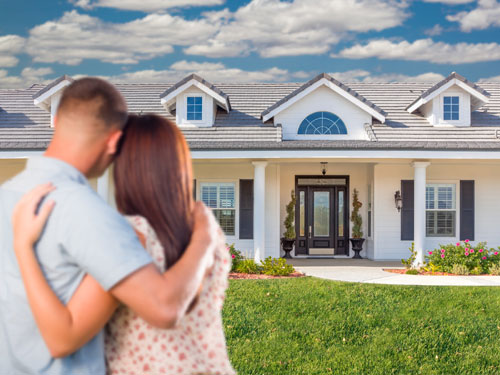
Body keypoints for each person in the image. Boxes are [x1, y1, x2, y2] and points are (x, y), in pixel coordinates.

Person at [0, 78, 221, 375]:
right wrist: (205, 237)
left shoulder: (8, 196)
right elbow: (164, 308)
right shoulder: (88, 213)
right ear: (114, 141)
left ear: (55, 122)